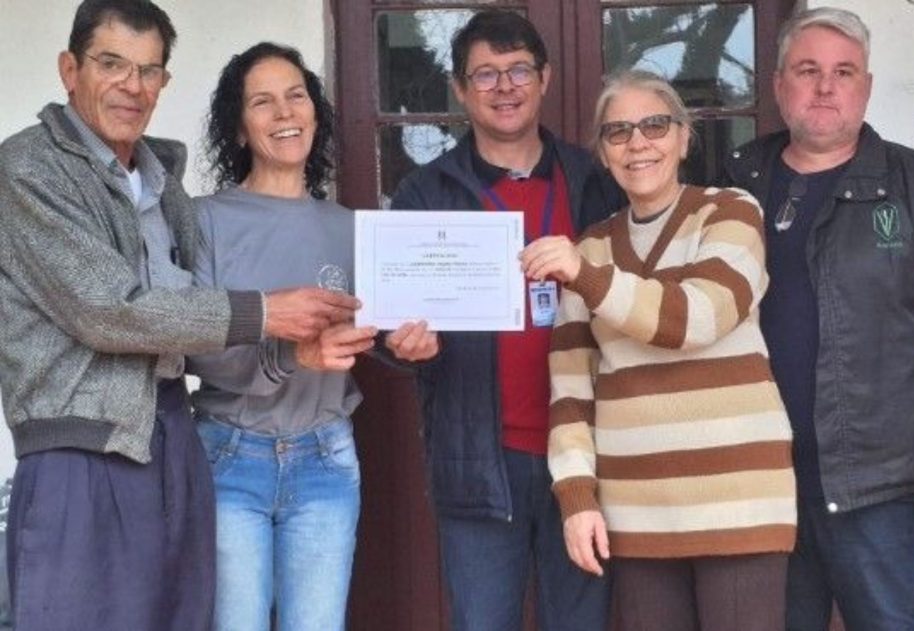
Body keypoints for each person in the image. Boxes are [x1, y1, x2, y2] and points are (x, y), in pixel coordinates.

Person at [0, 2, 357, 629]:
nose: (131, 86)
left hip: (171, 435)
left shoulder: (160, 179)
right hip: (79, 444)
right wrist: (267, 314)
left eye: (149, 70)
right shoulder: (30, 167)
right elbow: (106, 310)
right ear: (69, 69)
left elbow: (185, 316)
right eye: (111, 64)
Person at [721, 8, 914, 631]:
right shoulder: (735, 187)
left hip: (877, 482)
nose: (825, 87)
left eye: (843, 72)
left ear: (865, 86)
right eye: (808, 70)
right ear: (779, 85)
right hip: (761, 476)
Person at [522, 69, 797, 631]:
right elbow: (570, 393)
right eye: (618, 131)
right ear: (602, 152)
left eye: (654, 125)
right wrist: (576, 498)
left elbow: (697, 316)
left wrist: (587, 277)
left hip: (738, 498)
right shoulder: (590, 246)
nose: (638, 143)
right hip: (636, 509)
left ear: (683, 136)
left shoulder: (730, 212)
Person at [388, 9, 623, 631]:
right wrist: (402, 345)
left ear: (544, 78)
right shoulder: (426, 192)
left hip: (591, 452)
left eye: (518, 69)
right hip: (480, 456)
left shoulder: (596, 181)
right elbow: (391, 321)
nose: (504, 87)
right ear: (461, 90)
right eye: (485, 75)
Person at [187, 42, 388, 631]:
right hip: (228, 455)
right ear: (241, 128)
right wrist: (289, 354)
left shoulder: (350, 229)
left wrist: (412, 344)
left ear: (315, 113)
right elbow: (194, 346)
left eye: (296, 96)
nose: (284, 113)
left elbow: (383, 331)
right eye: (263, 102)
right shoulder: (207, 220)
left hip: (326, 458)